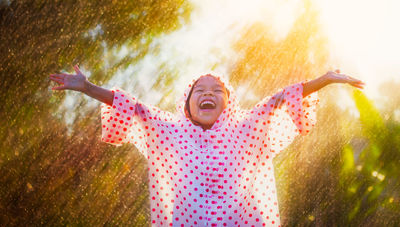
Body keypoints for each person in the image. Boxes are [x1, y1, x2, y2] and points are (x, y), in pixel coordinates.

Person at [49, 65, 364, 227]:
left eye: (217, 89)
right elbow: (133, 108)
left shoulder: (245, 126)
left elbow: (280, 100)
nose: (208, 93)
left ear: (228, 102)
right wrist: (87, 87)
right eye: (199, 89)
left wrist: (324, 80)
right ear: (187, 103)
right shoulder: (170, 130)